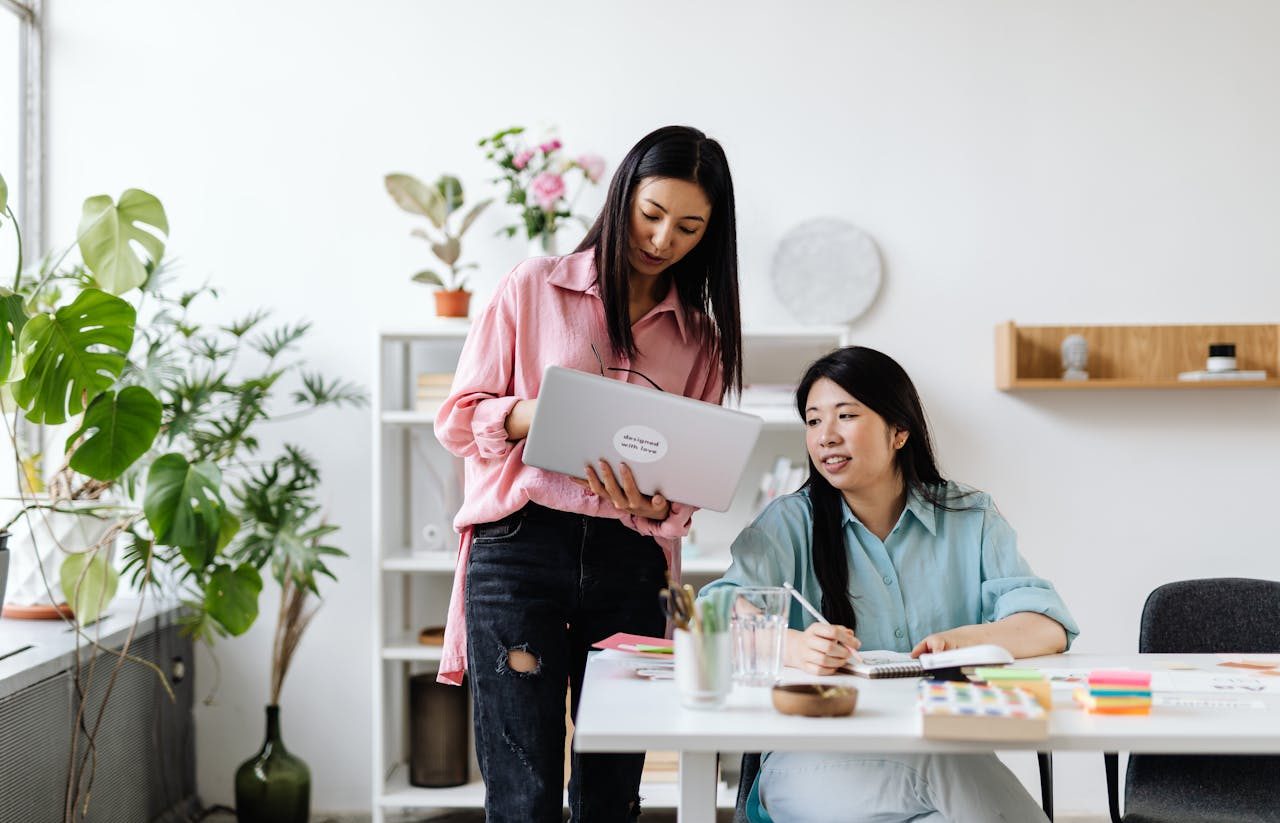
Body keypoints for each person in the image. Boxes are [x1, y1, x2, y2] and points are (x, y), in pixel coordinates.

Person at [433, 125, 743, 823]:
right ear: (622, 195)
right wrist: (535, 415)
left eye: (689, 227)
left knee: (609, 800)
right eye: (652, 213)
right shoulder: (532, 286)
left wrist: (657, 501)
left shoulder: (701, 339)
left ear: (711, 236)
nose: (664, 239)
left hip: (630, 563)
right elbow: (458, 421)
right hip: (518, 550)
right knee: (524, 795)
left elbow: (685, 491)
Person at [701, 346, 1078, 823]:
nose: (825, 437)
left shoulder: (969, 515)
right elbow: (716, 611)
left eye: (846, 415)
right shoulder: (789, 522)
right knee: (947, 766)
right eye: (813, 421)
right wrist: (793, 645)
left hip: (940, 749)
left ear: (900, 431)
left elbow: (1047, 625)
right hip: (813, 762)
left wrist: (968, 639)